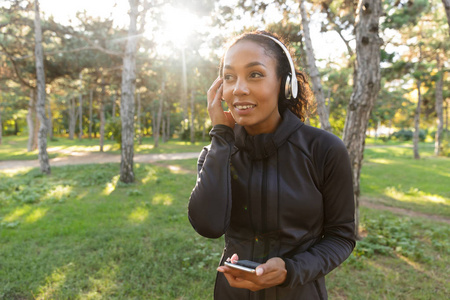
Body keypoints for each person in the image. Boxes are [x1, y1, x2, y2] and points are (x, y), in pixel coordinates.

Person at [188, 30, 355, 300]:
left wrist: (291, 269)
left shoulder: (324, 150)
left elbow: (342, 237)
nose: (239, 88)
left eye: (255, 74)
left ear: (285, 84)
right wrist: (221, 136)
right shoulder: (216, 153)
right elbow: (209, 226)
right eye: (229, 77)